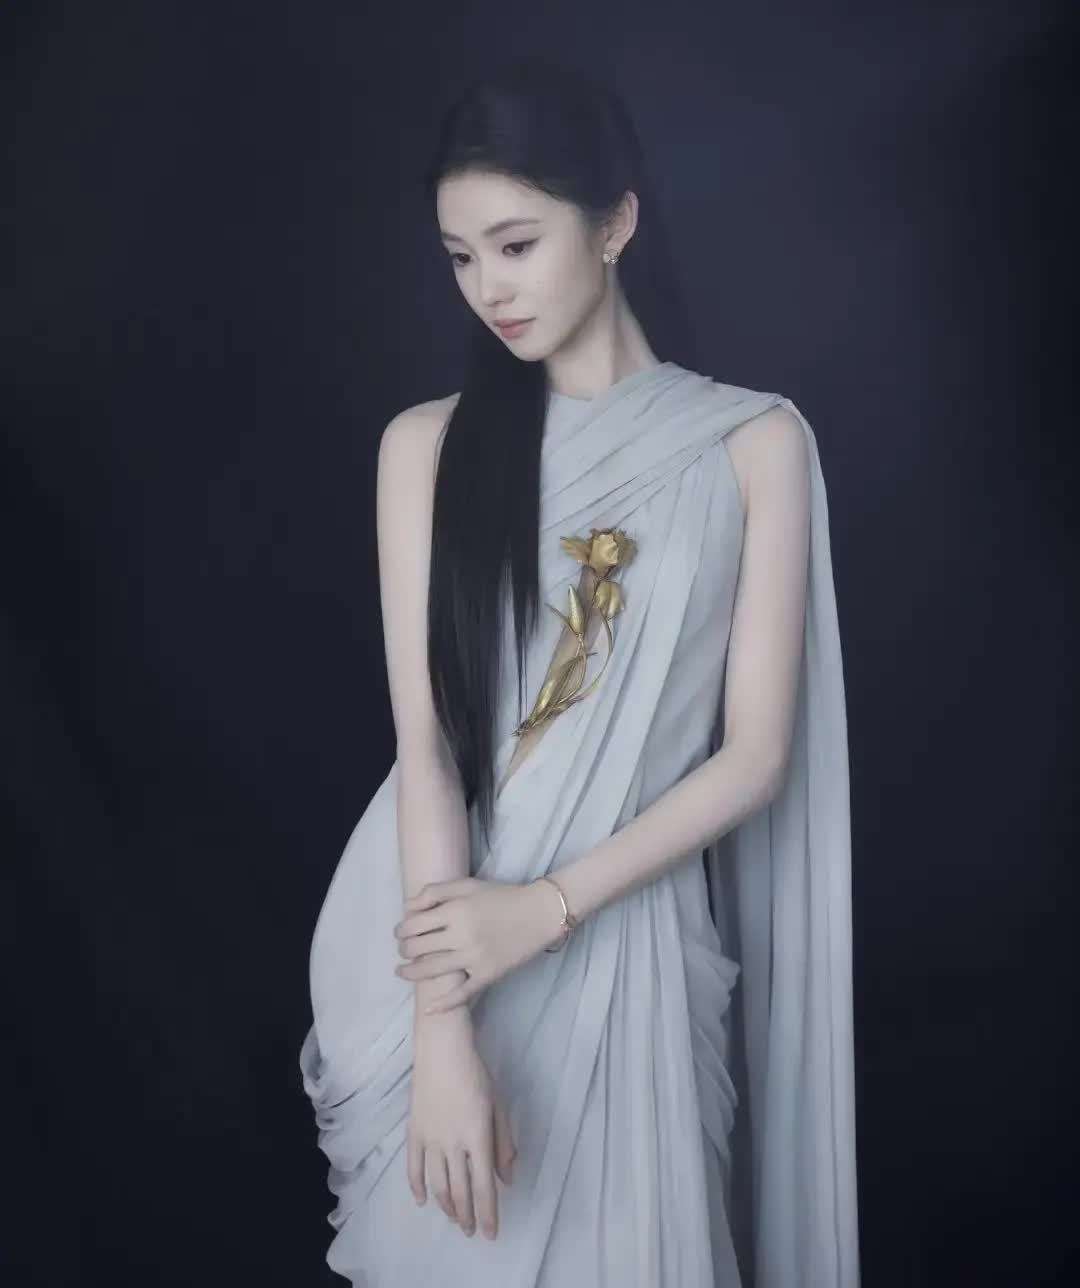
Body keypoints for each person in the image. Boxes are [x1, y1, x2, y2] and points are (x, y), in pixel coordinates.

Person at [299, 55, 859, 1286]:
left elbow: (755, 758)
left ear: (615, 222)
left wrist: (543, 909)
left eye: (516, 244)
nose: (488, 287)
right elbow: (429, 746)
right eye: (460, 257)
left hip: (627, 938)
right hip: (436, 946)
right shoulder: (425, 448)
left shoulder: (755, 444)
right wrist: (444, 1031)